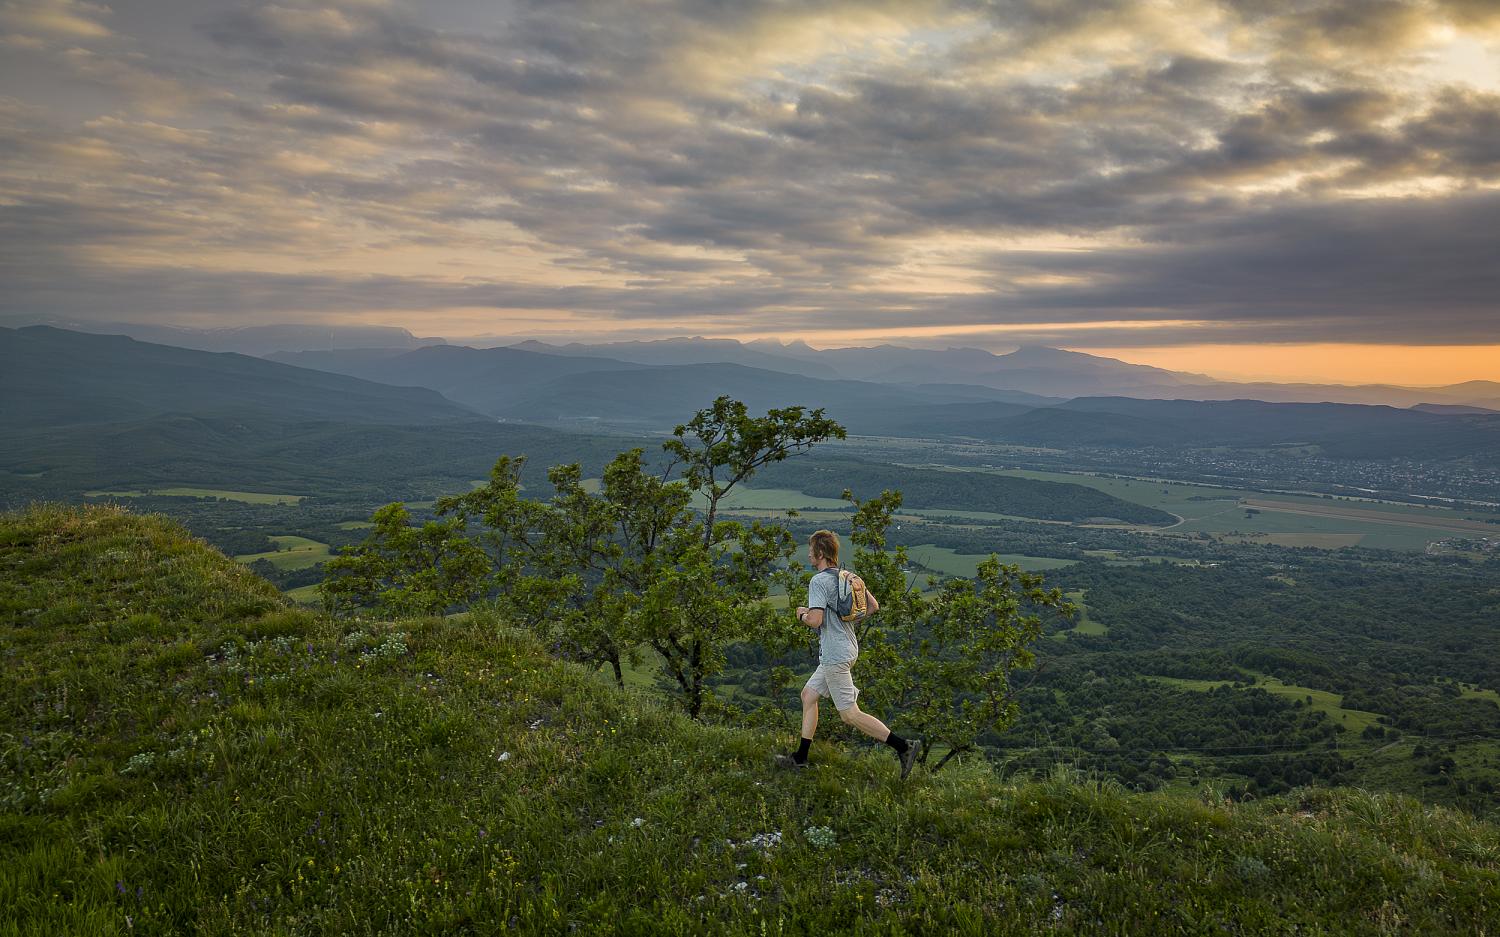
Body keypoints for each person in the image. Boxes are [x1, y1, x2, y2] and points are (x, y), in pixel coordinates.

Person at [777, 529, 920, 779]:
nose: (809, 553)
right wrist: (846, 623)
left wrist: (801, 613)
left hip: (834, 655)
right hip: (848, 648)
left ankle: (904, 746)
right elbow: (873, 606)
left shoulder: (819, 581)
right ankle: (800, 757)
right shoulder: (848, 577)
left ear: (820, 553)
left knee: (849, 715)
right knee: (809, 695)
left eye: (811, 549)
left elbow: (815, 620)